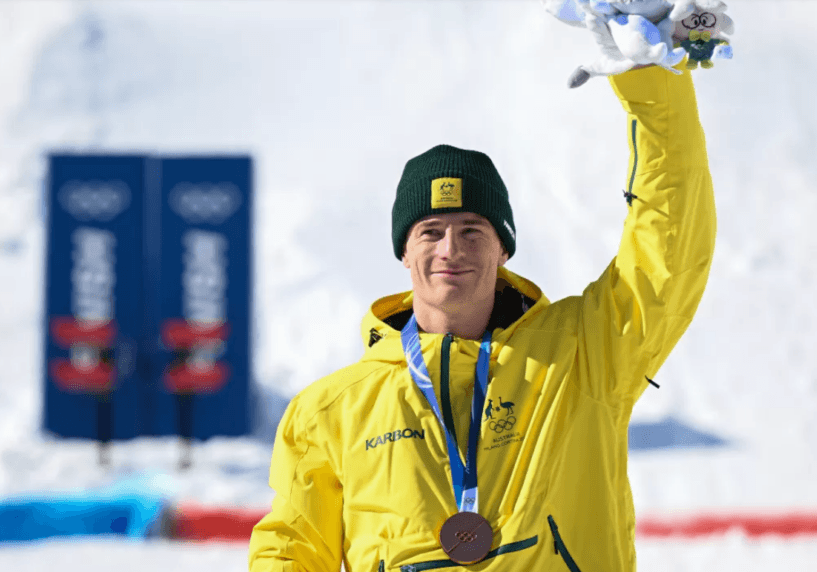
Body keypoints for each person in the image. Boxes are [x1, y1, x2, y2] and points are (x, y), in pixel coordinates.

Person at [249, 61, 716, 571]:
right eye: (430, 231)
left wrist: (652, 81)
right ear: (404, 251)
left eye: (472, 230)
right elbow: (289, 549)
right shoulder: (330, 410)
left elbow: (667, 247)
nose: (451, 249)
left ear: (503, 249)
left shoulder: (586, 353)